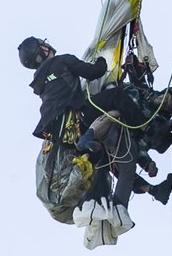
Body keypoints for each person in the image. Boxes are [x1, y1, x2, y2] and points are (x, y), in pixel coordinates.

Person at [18, 36, 108, 229]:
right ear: (42, 51)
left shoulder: (39, 83)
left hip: (59, 135)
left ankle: (147, 188)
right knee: (118, 98)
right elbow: (95, 72)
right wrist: (102, 58)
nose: (47, 44)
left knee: (102, 157)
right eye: (43, 43)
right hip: (76, 120)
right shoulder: (62, 61)